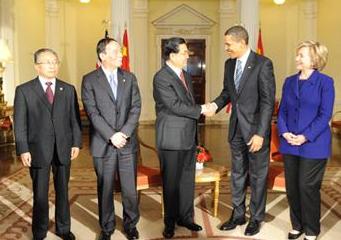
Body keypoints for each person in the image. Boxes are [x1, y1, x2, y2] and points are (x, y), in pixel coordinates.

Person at [206, 25, 275, 236]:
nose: (226, 48)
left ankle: (256, 217)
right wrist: (214, 106)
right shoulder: (229, 64)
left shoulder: (263, 64)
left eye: (228, 44)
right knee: (237, 174)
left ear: (242, 42)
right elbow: (227, 93)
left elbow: (267, 102)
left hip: (255, 131)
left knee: (257, 176)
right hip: (236, 128)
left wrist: (260, 133)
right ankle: (237, 215)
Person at [14, 48, 82, 240]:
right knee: (40, 194)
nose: (53, 65)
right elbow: (20, 124)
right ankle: (39, 231)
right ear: (37, 66)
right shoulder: (24, 90)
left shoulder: (68, 89)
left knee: (63, 190)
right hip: (37, 150)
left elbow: (74, 119)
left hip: (63, 148)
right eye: (47, 62)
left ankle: (63, 229)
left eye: (55, 61)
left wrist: (76, 142)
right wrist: (23, 148)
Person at [81, 38, 141, 240]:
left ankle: (131, 225)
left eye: (120, 51)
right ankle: (107, 228)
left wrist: (123, 133)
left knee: (130, 190)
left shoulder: (130, 78)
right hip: (103, 144)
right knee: (105, 188)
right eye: (115, 51)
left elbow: (136, 108)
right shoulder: (89, 80)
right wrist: (111, 135)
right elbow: (92, 111)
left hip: (127, 142)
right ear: (102, 55)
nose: (120, 55)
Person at [153, 37, 210, 239]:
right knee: (171, 183)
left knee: (187, 181)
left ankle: (186, 217)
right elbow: (174, 106)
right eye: (184, 52)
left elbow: (187, 105)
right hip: (171, 138)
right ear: (172, 55)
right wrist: (202, 109)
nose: (188, 55)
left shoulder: (185, 74)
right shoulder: (161, 77)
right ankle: (169, 223)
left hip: (187, 137)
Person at [277, 41, 334, 240]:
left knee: (307, 186)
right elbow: (282, 110)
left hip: (314, 143)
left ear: (315, 59)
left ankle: (311, 230)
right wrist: (284, 133)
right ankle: (298, 225)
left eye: (302, 55)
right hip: (289, 143)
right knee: (292, 186)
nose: (297, 58)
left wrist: (304, 136)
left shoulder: (325, 82)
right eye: (297, 54)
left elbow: (325, 114)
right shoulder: (289, 81)